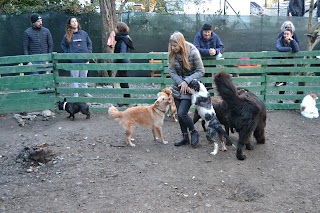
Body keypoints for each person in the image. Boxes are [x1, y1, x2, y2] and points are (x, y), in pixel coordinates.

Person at [168, 32, 205, 147]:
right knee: (179, 116)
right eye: (171, 46)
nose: (173, 48)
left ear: (181, 44)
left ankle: (194, 132)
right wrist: (180, 82)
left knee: (182, 113)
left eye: (175, 46)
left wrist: (186, 81)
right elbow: (172, 71)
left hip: (190, 88)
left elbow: (201, 71)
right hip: (178, 87)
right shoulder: (172, 53)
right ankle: (185, 137)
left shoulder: (193, 52)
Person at [61, 16, 93, 98]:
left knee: (84, 77)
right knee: (74, 78)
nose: (74, 23)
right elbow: (63, 46)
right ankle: (75, 94)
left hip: (84, 60)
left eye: (75, 21)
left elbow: (89, 44)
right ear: (70, 24)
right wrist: (68, 55)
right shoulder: (67, 36)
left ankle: (85, 92)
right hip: (74, 61)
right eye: (72, 21)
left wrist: (88, 53)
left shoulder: (84, 33)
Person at [193, 23, 224, 88]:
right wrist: (208, 51)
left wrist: (216, 51)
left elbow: (222, 47)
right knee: (200, 80)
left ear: (211, 32)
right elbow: (195, 49)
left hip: (211, 62)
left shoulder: (215, 37)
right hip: (200, 62)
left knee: (209, 80)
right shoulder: (198, 36)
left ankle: (210, 95)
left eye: (208, 32)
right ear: (202, 31)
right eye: (205, 32)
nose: (207, 34)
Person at [275, 28, 300, 103]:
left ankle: (280, 99)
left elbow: (296, 49)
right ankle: (278, 81)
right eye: (285, 34)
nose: (285, 35)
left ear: (291, 34)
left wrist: (292, 40)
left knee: (284, 81)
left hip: (288, 64)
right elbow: (279, 48)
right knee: (280, 78)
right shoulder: (280, 40)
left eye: (287, 34)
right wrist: (289, 48)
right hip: (279, 62)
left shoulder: (293, 41)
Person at [113, 22, 134, 103]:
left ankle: (127, 99)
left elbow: (122, 53)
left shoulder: (123, 39)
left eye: (116, 28)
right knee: (122, 79)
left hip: (122, 63)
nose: (115, 29)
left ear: (119, 29)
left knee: (123, 80)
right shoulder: (123, 38)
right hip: (122, 62)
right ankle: (126, 98)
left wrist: (117, 59)